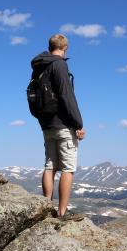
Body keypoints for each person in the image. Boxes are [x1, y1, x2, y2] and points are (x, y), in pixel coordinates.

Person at [30, 34, 85, 220]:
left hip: (46, 124)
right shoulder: (59, 64)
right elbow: (66, 95)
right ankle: (61, 213)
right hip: (62, 124)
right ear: (65, 47)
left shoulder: (39, 67)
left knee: (50, 165)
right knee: (68, 168)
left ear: (50, 46)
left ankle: (46, 206)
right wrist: (78, 123)